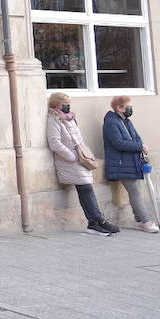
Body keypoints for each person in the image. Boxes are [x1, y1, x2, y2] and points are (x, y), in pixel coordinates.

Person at [46, 92, 119, 235]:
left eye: (68, 103)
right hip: (69, 160)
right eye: (64, 103)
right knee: (86, 189)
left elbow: (78, 138)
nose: (67, 106)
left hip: (80, 159)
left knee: (86, 189)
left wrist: (83, 154)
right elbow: (54, 143)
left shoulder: (71, 118)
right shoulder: (54, 119)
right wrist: (72, 156)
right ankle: (97, 221)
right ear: (56, 104)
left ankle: (96, 222)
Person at [101, 96, 159, 233]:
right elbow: (118, 143)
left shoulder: (127, 122)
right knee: (135, 192)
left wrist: (142, 145)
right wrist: (140, 146)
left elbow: (136, 137)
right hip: (121, 163)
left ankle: (139, 219)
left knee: (136, 191)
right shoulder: (111, 123)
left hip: (131, 162)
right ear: (119, 107)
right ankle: (146, 221)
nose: (130, 109)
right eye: (128, 106)